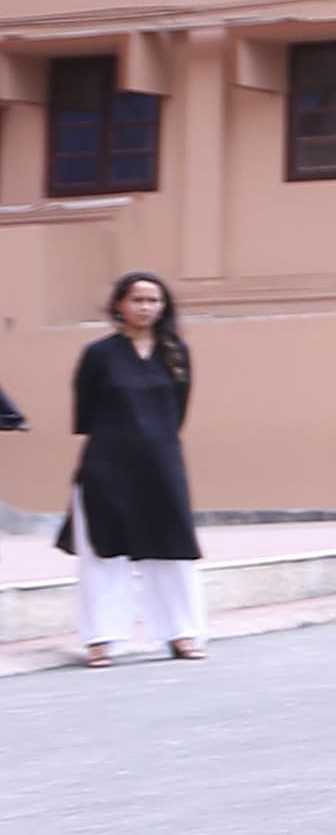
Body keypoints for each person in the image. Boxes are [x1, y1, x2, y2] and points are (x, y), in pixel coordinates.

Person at [69, 271, 204, 662]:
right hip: (107, 463)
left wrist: (153, 438)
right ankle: (100, 638)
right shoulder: (99, 354)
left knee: (173, 547)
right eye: (138, 300)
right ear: (119, 305)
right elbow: (86, 413)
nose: (146, 308)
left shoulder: (175, 352)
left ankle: (183, 633)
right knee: (103, 550)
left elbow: (178, 409)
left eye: (154, 301)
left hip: (161, 461)